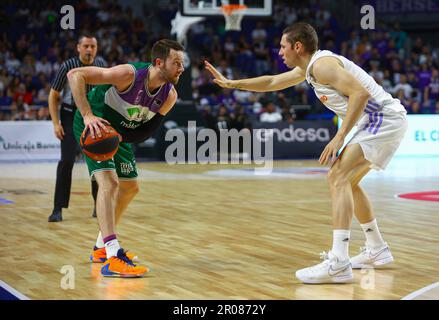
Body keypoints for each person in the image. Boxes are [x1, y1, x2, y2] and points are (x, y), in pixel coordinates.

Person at [205, 22, 408, 284]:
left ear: (297, 46)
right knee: (349, 182)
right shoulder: (310, 68)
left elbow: (360, 93)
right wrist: (233, 84)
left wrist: (339, 136)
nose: (279, 52)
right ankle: (377, 249)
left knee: (337, 176)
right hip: (381, 121)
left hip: (382, 119)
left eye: (282, 46)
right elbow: (272, 81)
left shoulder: (321, 65)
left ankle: (338, 262)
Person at [68, 39, 185, 277]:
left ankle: (101, 247)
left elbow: (146, 130)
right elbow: (75, 74)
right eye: (176, 62)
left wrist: (121, 137)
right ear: (159, 62)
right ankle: (113, 256)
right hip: (96, 123)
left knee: (130, 188)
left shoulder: (169, 95)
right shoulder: (127, 74)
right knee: (109, 183)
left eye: (182, 63)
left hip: (118, 133)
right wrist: (88, 115)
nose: (181, 68)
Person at [48, 34, 107, 222]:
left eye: (93, 46)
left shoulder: (101, 65)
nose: (89, 49)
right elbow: (53, 95)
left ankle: (99, 206)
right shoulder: (67, 66)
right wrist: (56, 123)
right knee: (66, 161)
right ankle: (58, 209)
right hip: (69, 115)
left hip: (93, 116)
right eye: (86, 46)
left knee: (97, 161)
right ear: (78, 48)